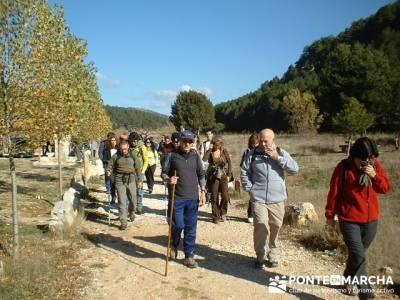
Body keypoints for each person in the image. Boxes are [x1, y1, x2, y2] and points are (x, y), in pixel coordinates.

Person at [325, 137, 390, 299]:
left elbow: (385, 188)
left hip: (371, 220)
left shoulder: (375, 166)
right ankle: (366, 293)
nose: (367, 162)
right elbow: (334, 193)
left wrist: (375, 176)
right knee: (359, 255)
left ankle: (348, 279)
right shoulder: (343, 168)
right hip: (349, 219)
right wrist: (330, 216)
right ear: (354, 156)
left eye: (370, 158)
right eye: (363, 159)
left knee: (357, 255)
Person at [240, 128, 298, 269]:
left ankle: (273, 254)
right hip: (258, 198)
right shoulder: (252, 154)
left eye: (266, 141)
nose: (263, 143)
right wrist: (250, 189)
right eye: (261, 140)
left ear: (273, 140)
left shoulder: (281, 152)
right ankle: (260, 255)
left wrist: (277, 158)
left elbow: (295, 169)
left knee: (276, 227)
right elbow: (244, 172)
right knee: (260, 225)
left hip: (277, 199)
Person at [161, 130, 207, 268]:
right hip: (178, 198)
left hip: (193, 198)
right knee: (178, 225)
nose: (187, 144)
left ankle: (189, 256)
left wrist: (203, 191)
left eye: (190, 142)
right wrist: (169, 179)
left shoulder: (195, 156)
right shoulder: (172, 155)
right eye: (185, 141)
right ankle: (174, 245)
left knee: (191, 228)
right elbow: (163, 173)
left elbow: (201, 174)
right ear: (180, 141)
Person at [106, 141, 137, 230]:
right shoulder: (116, 156)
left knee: (133, 200)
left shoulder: (132, 155)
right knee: (122, 202)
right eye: (122, 149)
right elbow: (109, 165)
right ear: (119, 148)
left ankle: (131, 212)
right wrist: (108, 171)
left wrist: (140, 179)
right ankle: (123, 222)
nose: (124, 151)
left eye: (125, 149)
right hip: (119, 180)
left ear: (128, 147)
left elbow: (138, 166)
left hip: (131, 179)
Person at [206, 138, 232, 224]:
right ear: (213, 144)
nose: (218, 146)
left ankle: (223, 212)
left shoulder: (224, 151)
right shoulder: (210, 151)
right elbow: (204, 159)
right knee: (214, 196)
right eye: (216, 145)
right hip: (213, 176)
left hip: (223, 175)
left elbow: (229, 162)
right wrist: (209, 149)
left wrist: (229, 175)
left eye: (219, 144)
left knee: (225, 196)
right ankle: (215, 216)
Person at [240, 133, 259, 223]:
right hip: (250, 177)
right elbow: (242, 166)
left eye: (256, 143)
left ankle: (258, 214)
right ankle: (250, 214)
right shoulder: (247, 152)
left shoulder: (261, 151)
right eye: (253, 143)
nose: (254, 145)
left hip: (259, 177)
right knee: (253, 196)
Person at [128, 132, 148, 215]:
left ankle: (139, 207)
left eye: (135, 141)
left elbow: (146, 160)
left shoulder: (142, 147)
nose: (133, 142)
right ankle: (132, 206)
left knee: (139, 190)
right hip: (130, 172)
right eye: (132, 141)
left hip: (140, 172)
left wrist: (142, 171)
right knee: (130, 190)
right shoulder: (128, 147)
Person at [100, 133, 118, 204]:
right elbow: (104, 158)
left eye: (114, 140)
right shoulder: (106, 150)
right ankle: (113, 197)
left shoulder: (119, 149)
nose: (113, 142)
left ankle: (120, 197)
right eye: (112, 140)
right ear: (110, 141)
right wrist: (109, 162)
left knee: (118, 184)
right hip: (111, 168)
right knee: (112, 183)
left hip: (118, 168)